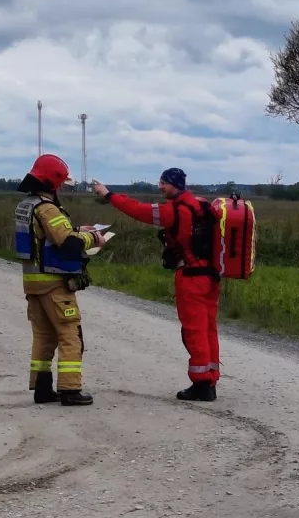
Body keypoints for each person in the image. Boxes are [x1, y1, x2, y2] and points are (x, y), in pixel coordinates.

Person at [92, 168, 219, 401]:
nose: (159, 187)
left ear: (175, 184)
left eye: (163, 183)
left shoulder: (175, 210)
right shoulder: (199, 204)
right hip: (210, 276)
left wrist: (108, 194)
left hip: (190, 276)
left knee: (194, 330)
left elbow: (137, 210)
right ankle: (211, 377)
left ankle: (202, 384)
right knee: (208, 328)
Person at [15, 153, 109, 406]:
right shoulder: (47, 208)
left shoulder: (26, 205)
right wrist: (94, 239)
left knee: (44, 336)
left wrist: (79, 230)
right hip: (54, 283)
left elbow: (46, 237)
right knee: (70, 334)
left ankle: (42, 389)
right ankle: (70, 389)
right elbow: (66, 243)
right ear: (52, 182)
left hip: (33, 283)